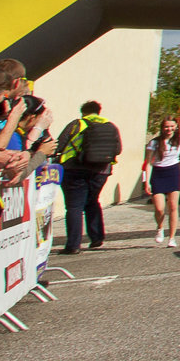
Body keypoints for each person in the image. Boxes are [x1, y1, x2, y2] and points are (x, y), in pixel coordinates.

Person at [55, 101, 122, 255]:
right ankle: (97, 237)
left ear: (83, 112)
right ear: (98, 112)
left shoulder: (77, 124)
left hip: (75, 169)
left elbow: (60, 145)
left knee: (74, 207)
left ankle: (73, 245)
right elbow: (118, 149)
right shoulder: (110, 126)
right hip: (101, 171)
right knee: (92, 201)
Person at [140, 116, 180, 247]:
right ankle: (160, 227)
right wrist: (146, 182)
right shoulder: (154, 143)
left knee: (173, 206)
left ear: (176, 126)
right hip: (158, 173)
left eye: (171, 126)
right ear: (162, 128)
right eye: (166, 126)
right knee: (159, 208)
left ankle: (172, 237)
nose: (169, 129)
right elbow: (148, 163)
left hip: (173, 172)